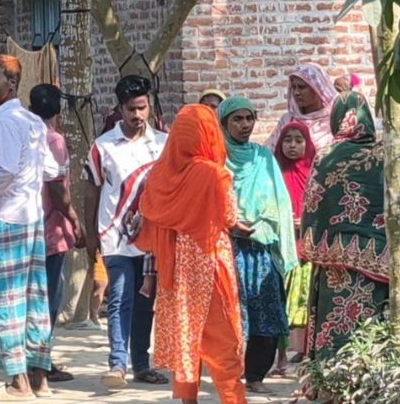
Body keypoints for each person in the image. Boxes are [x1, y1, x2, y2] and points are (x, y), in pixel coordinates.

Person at [135, 104, 247, 404]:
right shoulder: (214, 174)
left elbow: (151, 221)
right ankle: (233, 399)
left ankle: (188, 400)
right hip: (210, 266)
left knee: (186, 337)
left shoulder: (158, 175)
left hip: (174, 272)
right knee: (223, 341)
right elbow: (229, 217)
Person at [0, 56, 59, 400]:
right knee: (34, 299)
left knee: (6, 301)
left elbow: (5, 171)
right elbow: (51, 169)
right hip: (31, 219)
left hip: (4, 218)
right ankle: (39, 379)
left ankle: (18, 383)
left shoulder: (5, 120)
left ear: (13, 83)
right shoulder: (32, 120)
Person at [86, 75, 168, 388]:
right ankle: (117, 365)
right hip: (114, 237)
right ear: (120, 108)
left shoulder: (163, 144)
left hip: (151, 240)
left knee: (145, 301)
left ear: (149, 106)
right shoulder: (103, 146)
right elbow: (92, 190)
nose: (137, 115)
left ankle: (142, 365)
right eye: (131, 109)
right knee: (120, 298)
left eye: (142, 108)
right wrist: (91, 235)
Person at [300, 92, 392, 361]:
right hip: (379, 258)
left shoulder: (327, 156)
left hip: (334, 261)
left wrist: (311, 241)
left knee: (335, 322)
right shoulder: (387, 155)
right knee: (370, 325)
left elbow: (313, 206)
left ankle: (329, 375)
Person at [218, 97, 298, 394]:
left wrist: (266, 227)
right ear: (224, 123)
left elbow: (280, 201)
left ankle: (256, 375)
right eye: (237, 119)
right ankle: (230, 373)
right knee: (230, 314)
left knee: (266, 311)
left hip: (262, 248)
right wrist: (230, 222)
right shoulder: (217, 158)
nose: (245, 125)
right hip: (228, 247)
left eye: (249, 118)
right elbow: (209, 199)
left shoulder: (263, 158)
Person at [28, 84, 85, 383]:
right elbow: (57, 187)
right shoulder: (54, 139)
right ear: (58, 110)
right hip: (51, 229)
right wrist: (74, 219)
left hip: (28, 226)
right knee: (49, 299)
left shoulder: (25, 134)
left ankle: (33, 359)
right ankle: (41, 362)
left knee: (33, 298)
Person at [273, 120, 316, 373]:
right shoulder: (274, 174)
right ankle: (280, 357)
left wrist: (307, 220)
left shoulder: (315, 174)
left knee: (305, 303)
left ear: (307, 144)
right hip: (282, 248)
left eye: (299, 141)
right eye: (287, 140)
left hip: (307, 248)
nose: (292, 145)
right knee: (281, 302)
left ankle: (305, 353)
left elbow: (324, 208)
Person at [265, 63, 339, 152]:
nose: (296, 92)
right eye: (293, 87)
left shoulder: (334, 121)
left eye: (301, 87)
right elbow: (269, 151)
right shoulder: (287, 120)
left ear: (317, 88)